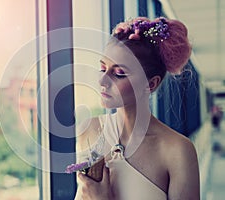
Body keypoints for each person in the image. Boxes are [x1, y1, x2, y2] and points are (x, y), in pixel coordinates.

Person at [74, 17, 200, 200]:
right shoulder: (88, 130)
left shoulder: (177, 151)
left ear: (150, 84)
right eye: (102, 69)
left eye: (119, 73)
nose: (102, 81)